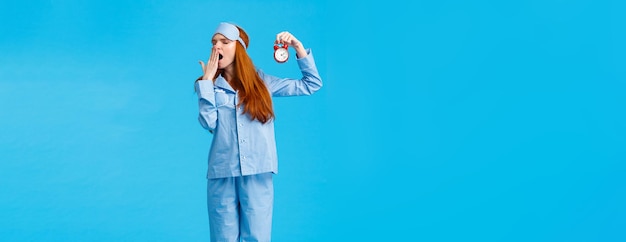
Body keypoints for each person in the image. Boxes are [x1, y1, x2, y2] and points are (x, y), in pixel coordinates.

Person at [194, 22, 322, 242]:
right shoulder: (209, 86)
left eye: (224, 42)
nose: (217, 47)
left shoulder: (263, 83)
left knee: (258, 237)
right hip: (222, 172)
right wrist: (206, 82)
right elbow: (209, 123)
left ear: (239, 48)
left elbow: (311, 84)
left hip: (258, 171)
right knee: (222, 238)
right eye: (214, 43)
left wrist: (298, 48)